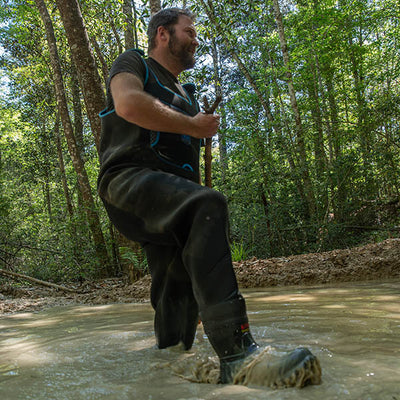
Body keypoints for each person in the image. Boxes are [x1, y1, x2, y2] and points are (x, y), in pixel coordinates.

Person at [98, 8, 320, 386]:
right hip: (128, 181)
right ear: (163, 35)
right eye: (190, 31)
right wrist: (193, 125)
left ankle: (168, 369)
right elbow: (128, 105)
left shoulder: (188, 93)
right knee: (207, 204)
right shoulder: (134, 61)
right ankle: (239, 356)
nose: (196, 39)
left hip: (170, 202)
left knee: (176, 289)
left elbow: (186, 168)